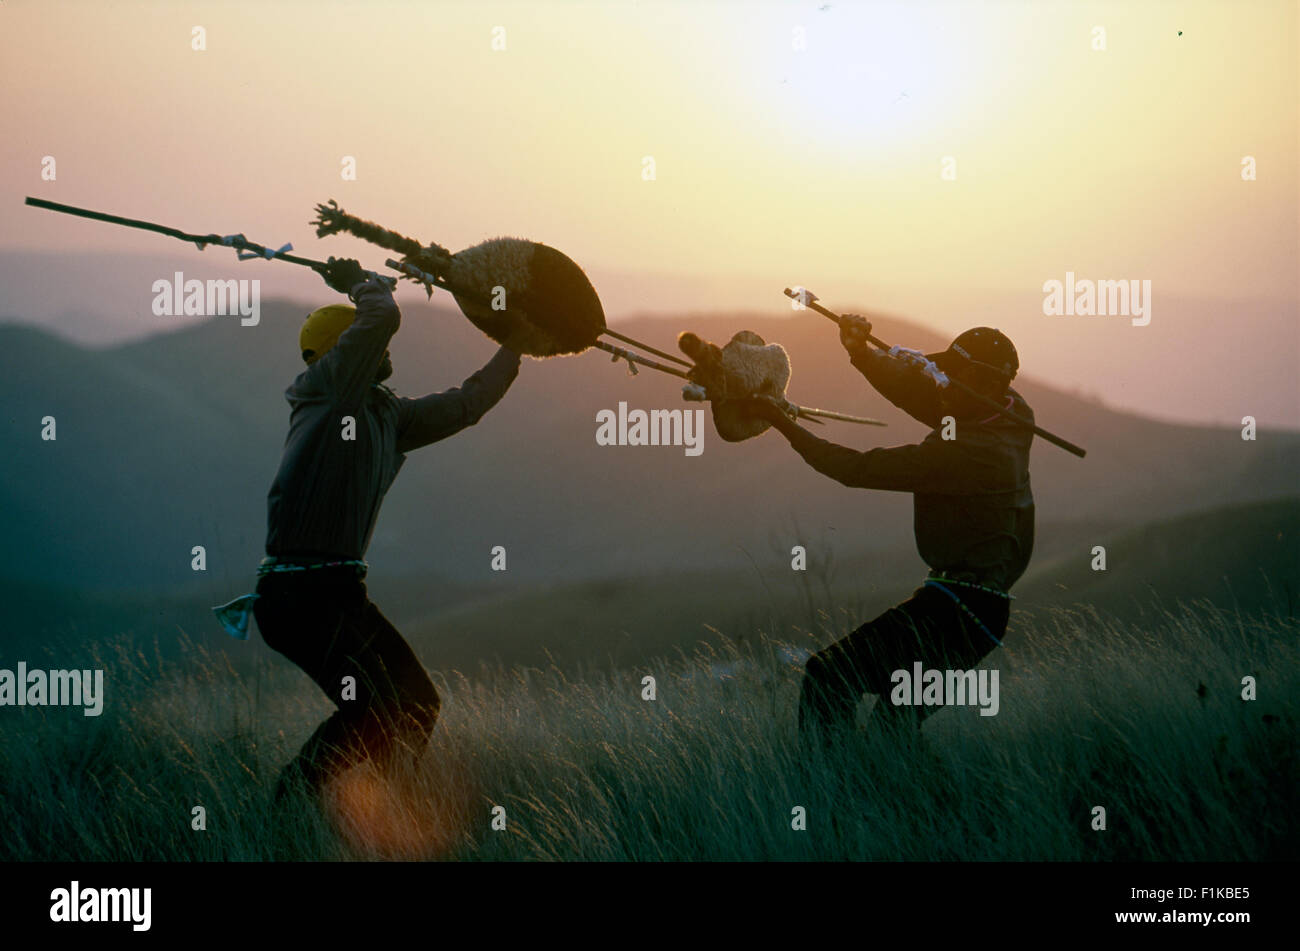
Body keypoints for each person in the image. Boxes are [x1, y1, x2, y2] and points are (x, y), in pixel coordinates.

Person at [250, 256, 521, 805]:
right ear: (341, 352)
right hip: (298, 598)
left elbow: (467, 404)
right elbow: (379, 321)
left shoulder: (385, 416)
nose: (385, 353)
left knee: (417, 704)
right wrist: (358, 285)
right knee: (374, 708)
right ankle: (291, 805)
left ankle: (380, 808)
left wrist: (517, 346)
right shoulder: (327, 394)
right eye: (363, 344)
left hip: (340, 594)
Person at [743, 316, 1034, 746]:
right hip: (976, 612)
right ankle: (895, 802)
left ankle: (826, 793)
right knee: (891, 732)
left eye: (953, 375)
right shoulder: (1012, 413)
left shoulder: (970, 453)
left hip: (957, 614)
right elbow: (922, 395)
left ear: (979, 381)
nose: (943, 383)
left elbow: (853, 469)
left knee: (828, 674)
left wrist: (782, 422)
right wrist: (861, 353)